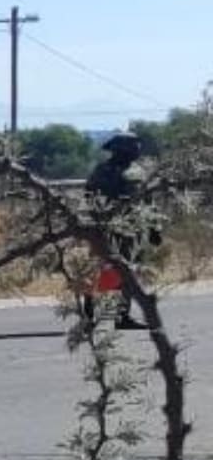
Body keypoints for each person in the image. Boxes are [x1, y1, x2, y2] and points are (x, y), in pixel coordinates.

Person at [85, 133, 157, 331]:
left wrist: (153, 228)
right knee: (102, 270)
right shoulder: (108, 171)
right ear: (123, 149)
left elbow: (147, 202)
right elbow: (90, 198)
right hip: (111, 229)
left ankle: (120, 315)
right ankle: (91, 315)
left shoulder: (131, 171)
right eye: (133, 147)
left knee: (126, 272)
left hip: (130, 231)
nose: (137, 150)